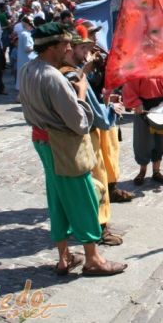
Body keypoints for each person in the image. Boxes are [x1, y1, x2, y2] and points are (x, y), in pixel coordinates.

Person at [18, 22, 127, 277]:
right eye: (65, 44)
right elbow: (78, 122)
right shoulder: (53, 77)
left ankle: (64, 257)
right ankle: (93, 259)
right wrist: (80, 91)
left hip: (43, 142)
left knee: (57, 199)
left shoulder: (26, 69)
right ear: (52, 47)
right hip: (64, 145)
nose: (69, 47)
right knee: (83, 199)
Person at [61, 32, 130, 245]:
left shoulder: (63, 72)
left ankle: (88, 224)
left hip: (69, 136)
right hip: (86, 135)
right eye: (84, 48)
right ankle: (99, 227)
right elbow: (97, 116)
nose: (88, 52)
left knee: (87, 182)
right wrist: (113, 109)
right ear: (72, 48)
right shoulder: (74, 75)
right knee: (97, 181)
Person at [123, 78, 163, 185]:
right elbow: (129, 86)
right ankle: (142, 171)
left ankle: (156, 172)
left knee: (160, 141)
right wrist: (136, 103)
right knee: (142, 142)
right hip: (143, 106)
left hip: (162, 106)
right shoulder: (138, 68)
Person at [15, 15, 36, 92]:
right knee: (26, 80)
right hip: (27, 60)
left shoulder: (24, 33)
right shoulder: (26, 34)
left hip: (25, 60)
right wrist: (37, 46)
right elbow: (27, 49)